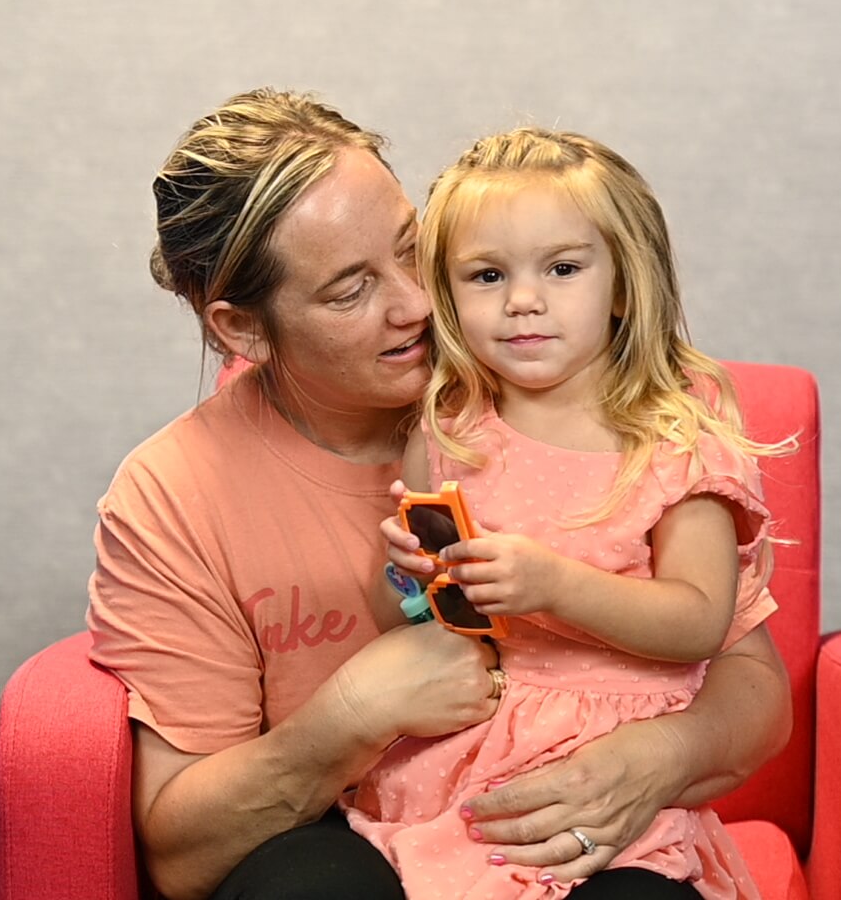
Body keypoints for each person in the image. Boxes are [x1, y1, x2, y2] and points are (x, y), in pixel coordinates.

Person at [87, 90, 791, 900]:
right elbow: (183, 857)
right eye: (350, 290)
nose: (420, 305)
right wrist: (354, 710)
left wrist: (655, 758)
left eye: (412, 250)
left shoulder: (574, 411)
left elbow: (749, 685)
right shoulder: (175, 494)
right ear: (243, 330)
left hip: (578, 812)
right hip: (369, 827)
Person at [343, 128, 785, 900]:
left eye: (563, 268)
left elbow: (699, 620)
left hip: (617, 772)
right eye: (487, 274)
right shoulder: (448, 434)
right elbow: (407, 623)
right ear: (447, 295)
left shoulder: (675, 445)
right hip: (467, 762)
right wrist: (411, 581)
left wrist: (556, 586)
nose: (523, 300)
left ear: (622, 287)